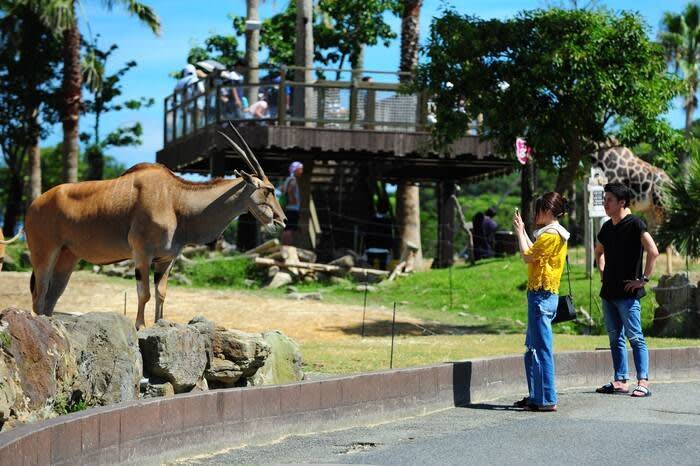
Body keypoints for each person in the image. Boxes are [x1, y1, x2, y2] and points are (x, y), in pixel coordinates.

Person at [594, 182, 659, 398]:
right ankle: (621, 380)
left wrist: (643, 279)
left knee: (635, 337)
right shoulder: (606, 227)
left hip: (628, 294)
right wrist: (603, 273)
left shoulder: (635, 224)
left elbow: (653, 251)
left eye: (609, 200)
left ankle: (643, 381)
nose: (605, 204)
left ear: (622, 202)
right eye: (604, 199)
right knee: (615, 338)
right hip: (608, 293)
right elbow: (599, 252)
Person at [512, 192, 570, 412]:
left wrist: (519, 233)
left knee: (541, 350)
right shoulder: (551, 234)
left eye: (539, 210)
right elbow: (533, 252)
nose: (535, 214)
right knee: (533, 349)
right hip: (542, 296)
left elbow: (527, 256)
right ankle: (536, 395)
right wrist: (523, 231)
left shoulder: (551, 235)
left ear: (548, 211)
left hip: (541, 297)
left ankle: (546, 399)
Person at [281, 161, 303, 245]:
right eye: (300, 169)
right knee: (290, 229)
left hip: (288, 209)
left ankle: (284, 247)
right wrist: (293, 200)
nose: (301, 171)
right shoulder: (293, 180)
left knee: (287, 228)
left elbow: (283, 189)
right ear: (296, 170)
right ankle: (287, 248)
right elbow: (290, 190)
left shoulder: (288, 179)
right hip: (293, 209)